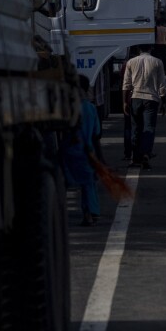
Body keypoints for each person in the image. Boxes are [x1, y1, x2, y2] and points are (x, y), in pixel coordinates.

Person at [62, 75, 103, 225]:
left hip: (70, 152)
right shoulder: (91, 108)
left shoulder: (67, 107)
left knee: (66, 184)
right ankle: (90, 211)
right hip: (87, 152)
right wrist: (100, 158)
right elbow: (96, 135)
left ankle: (82, 212)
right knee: (88, 184)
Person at [122, 45, 166, 170]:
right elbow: (162, 85)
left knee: (136, 127)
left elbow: (126, 84)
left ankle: (135, 158)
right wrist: (163, 102)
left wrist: (125, 102)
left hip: (135, 98)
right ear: (151, 49)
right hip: (151, 99)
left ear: (138, 50)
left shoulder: (131, 62)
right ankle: (146, 154)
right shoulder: (157, 62)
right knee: (149, 127)